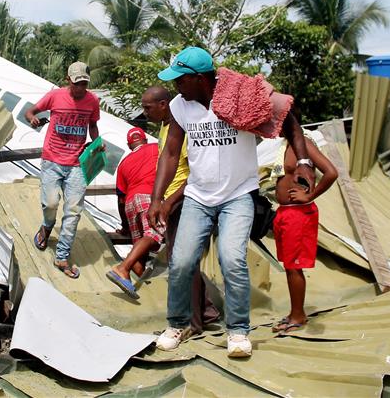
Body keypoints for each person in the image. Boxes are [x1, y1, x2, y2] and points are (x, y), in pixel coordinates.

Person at [149, 46, 315, 358]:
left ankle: (238, 331)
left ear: (199, 79)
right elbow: (171, 153)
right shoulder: (179, 106)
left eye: (180, 80)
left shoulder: (241, 95)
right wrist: (158, 198)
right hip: (198, 196)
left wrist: (304, 158)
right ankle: (177, 323)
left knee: (232, 260)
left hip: (238, 195)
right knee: (182, 262)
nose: (176, 86)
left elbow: (288, 116)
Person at [141, 86, 220, 331]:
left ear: (164, 104)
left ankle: (193, 321)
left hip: (184, 199)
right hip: (172, 200)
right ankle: (205, 313)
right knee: (184, 260)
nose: (144, 113)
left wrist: (169, 201)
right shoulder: (168, 128)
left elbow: (194, 172)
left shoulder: (182, 130)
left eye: (148, 107)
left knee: (183, 262)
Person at [24, 61, 101, 279]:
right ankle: (47, 226)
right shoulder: (55, 96)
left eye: (85, 84)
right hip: (52, 160)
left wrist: (97, 143)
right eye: (77, 84)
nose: (81, 88)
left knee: (74, 211)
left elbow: (92, 125)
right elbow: (30, 112)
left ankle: (62, 255)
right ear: (68, 80)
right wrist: (33, 120)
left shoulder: (92, 100)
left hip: (77, 163)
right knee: (50, 203)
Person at [271, 131, 337, 333]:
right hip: (285, 212)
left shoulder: (304, 144)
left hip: (298, 213)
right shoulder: (285, 145)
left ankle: (298, 315)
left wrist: (309, 196)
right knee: (289, 266)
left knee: (294, 266)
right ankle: (294, 312)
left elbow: (331, 172)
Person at [106, 127, 160, 299]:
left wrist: (124, 227)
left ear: (129, 145)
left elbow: (120, 200)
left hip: (130, 203)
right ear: (144, 139)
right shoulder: (156, 148)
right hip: (148, 198)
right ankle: (123, 268)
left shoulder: (123, 164)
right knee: (154, 234)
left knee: (139, 248)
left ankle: (146, 289)